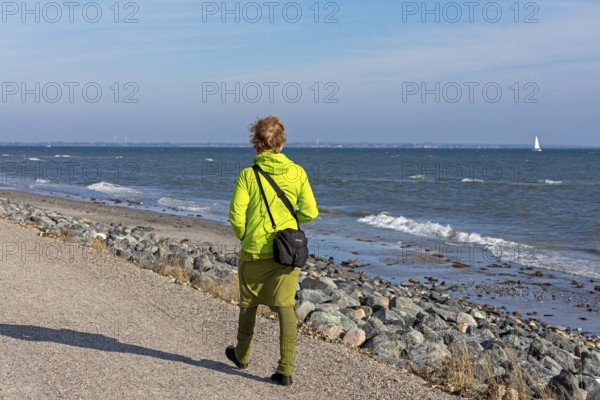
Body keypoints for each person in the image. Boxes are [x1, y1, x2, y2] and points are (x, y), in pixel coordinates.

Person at [226, 115, 319, 386]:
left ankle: (242, 356)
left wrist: (247, 236)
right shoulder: (297, 172)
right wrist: (291, 222)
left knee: (249, 304)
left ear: (256, 143)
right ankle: (285, 369)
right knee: (285, 307)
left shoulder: (248, 175)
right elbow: (311, 211)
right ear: (281, 141)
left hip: (255, 251)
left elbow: (236, 215)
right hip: (288, 252)